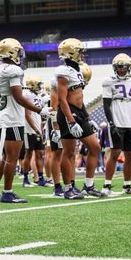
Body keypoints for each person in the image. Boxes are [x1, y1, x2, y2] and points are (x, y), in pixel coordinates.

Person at [0, 38, 50, 203]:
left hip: (2, 115)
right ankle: (8, 192)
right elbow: (18, 96)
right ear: (11, 52)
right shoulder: (14, 70)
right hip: (12, 117)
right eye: (18, 51)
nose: (20, 55)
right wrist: (39, 110)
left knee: (4, 157)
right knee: (12, 158)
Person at [56, 39, 104, 199]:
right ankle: (69, 188)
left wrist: (87, 117)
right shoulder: (63, 71)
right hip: (68, 113)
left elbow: (79, 97)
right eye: (79, 51)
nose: (82, 54)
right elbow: (62, 99)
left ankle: (88, 186)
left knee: (95, 147)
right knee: (70, 152)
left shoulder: (76, 70)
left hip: (79, 112)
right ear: (71, 52)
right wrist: (71, 120)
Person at [102, 53, 131, 196]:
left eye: (124, 67)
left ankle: (127, 186)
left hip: (130, 123)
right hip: (117, 122)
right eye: (119, 67)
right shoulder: (109, 81)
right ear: (115, 68)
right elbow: (106, 105)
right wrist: (111, 123)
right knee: (114, 153)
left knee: (130, 155)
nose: (121, 70)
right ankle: (106, 186)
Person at [22, 77, 48, 188]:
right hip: (29, 130)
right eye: (37, 84)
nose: (39, 87)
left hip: (37, 128)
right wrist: (36, 129)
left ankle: (40, 178)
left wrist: (40, 129)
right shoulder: (26, 95)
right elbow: (27, 115)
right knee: (28, 153)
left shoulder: (37, 97)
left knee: (40, 154)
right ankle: (26, 178)